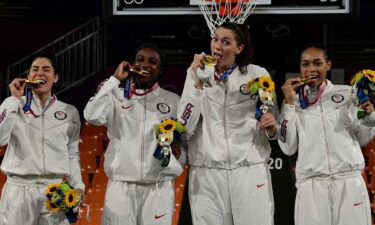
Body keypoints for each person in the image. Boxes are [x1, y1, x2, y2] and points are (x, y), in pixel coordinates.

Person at [178, 22, 278, 225]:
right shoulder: (195, 73)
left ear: (239, 48)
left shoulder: (257, 74)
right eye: (215, 39)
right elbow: (185, 126)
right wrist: (197, 83)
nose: (218, 46)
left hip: (248, 168)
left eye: (226, 42)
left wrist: (271, 126)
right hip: (207, 170)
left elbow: (272, 123)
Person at [84, 43, 185, 225]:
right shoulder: (115, 95)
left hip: (159, 187)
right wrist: (114, 79)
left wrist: (179, 156)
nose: (145, 64)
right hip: (121, 186)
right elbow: (91, 116)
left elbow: (183, 145)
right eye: (140, 59)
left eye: (152, 61)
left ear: (160, 69)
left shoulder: (173, 100)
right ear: (131, 64)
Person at [278, 46, 374, 225]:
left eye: (318, 63)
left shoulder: (347, 94)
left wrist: (369, 116)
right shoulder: (294, 102)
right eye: (305, 64)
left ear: (328, 65)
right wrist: (289, 103)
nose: (311, 69)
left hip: (348, 182)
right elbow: (287, 146)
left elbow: (364, 138)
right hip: (311, 186)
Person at [0, 55, 85, 225]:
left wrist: (78, 185)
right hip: (19, 190)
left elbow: (72, 154)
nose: (40, 73)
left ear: (55, 77)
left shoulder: (69, 111)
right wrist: (14, 98)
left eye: (46, 69)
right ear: (28, 77)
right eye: (35, 69)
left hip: (54, 191)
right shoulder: (12, 105)